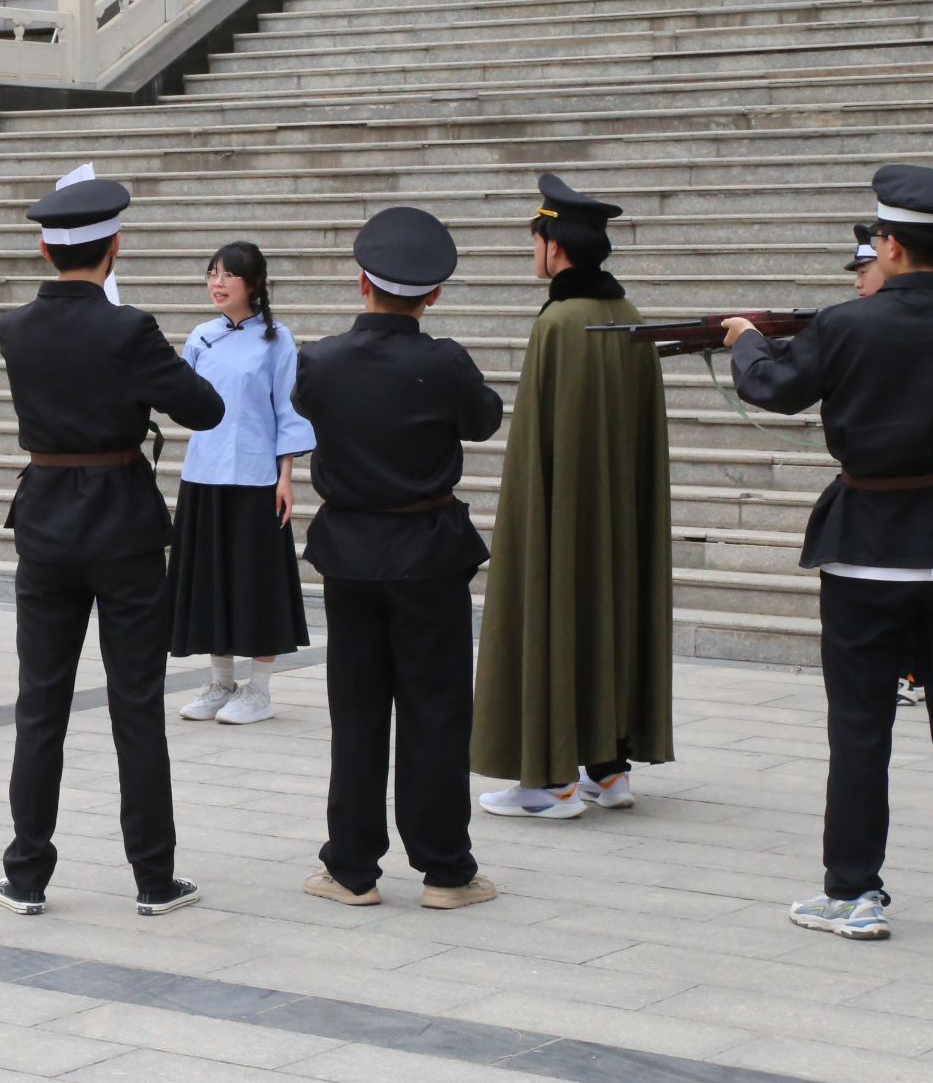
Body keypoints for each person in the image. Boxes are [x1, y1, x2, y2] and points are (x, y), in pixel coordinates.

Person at [732, 163, 933, 945]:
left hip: (864, 547)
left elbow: (773, 389)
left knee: (860, 730)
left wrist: (746, 340)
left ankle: (854, 890)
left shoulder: (844, 323)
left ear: (890, 245)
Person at [0, 176, 224, 918]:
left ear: (44, 250)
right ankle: (153, 877)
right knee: (136, 704)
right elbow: (205, 409)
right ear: (114, 246)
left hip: (45, 525)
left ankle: (26, 874)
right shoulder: (129, 330)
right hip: (122, 526)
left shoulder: (15, 327)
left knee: (40, 705)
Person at [292, 208, 504, 911]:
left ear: (362, 282)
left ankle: (351, 868)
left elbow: (306, 404)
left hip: (351, 552)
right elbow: (483, 420)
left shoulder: (320, 359)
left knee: (356, 712)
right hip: (427, 552)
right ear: (433, 294)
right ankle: (446, 871)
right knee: (436, 712)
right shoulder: (443, 361)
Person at [472, 174, 674, 818]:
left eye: (535, 239)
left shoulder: (560, 322)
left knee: (560, 607)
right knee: (608, 608)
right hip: (617, 513)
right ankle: (609, 771)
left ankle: (551, 782)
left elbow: (539, 445)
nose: (533, 251)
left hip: (566, 512)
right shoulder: (627, 316)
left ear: (553, 245)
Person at [170, 241, 314, 726]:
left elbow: (288, 411)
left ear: (253, 284)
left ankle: (260, 690)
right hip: (204, 474)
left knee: (257, 582)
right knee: (212, 580)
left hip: (257, 478)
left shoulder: (278, 340)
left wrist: (286, 477)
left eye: (228, 275)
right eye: (212, 273)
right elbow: (184, 400)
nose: (217, 283)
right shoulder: (201, 336)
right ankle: (221, 682)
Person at [846, 226, 924, 709]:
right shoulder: (855, 325)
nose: (858, 282)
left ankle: (911, 670)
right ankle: (905, 668)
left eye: (865, 268)